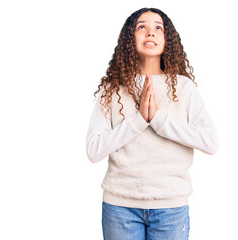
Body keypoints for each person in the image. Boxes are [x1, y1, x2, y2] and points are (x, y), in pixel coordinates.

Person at [86, 7, 219, 240]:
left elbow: (210, 142)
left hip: (171, 208)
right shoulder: (111, 88)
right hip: (120, 207)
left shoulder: (183, 88)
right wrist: (138, 121)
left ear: (168, 39)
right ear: (130, 38)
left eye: (158, 27)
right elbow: (94, 150)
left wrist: (158, 120)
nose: (150, 33)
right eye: (141, 27)